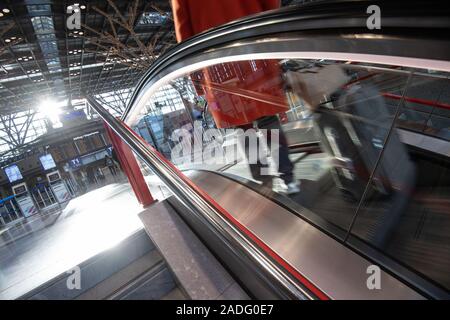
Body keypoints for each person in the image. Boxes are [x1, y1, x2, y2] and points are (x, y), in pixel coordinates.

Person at [172, 0, 300, 194]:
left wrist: (198, 81)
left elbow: (184, 32)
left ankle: (263, 184)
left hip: (218, 61)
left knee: (242, 124)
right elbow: (271, 3)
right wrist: (273, 33)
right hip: (253, 48)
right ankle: (287, 178)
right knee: (266, 116)